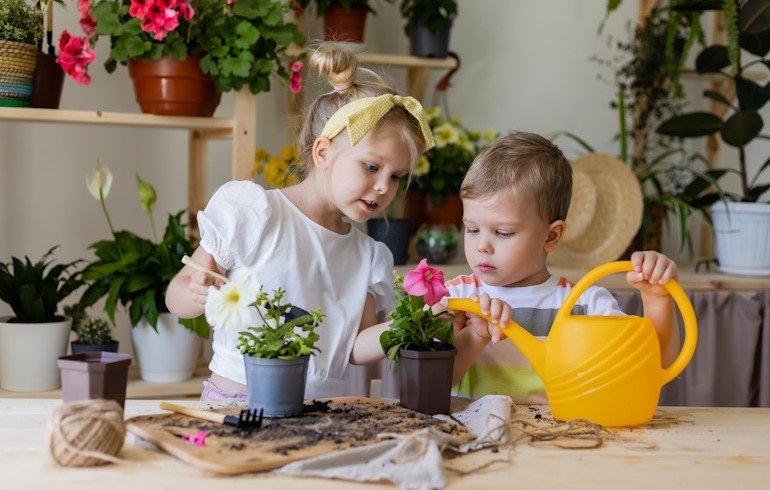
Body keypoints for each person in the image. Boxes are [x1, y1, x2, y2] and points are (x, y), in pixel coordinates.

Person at [165, 42, 435, 401]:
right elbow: (176, 294)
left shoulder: (367, 257)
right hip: (235, 406)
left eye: (397, 176)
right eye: (371, 166)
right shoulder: (257, 214)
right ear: (323, 152)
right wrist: (194, 293)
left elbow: (354, 349)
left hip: (319, 416)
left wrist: (418, 320)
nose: (384, 186)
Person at [444, 132, 681, 403]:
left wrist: (656, 299)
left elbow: (652, 366)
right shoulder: (455, 299)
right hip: (477, 440)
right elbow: (429, 382)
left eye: (504, 233)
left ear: (551, 236)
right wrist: (472, 336)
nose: (481, 246)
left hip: (560, 441)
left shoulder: (584, 304)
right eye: (472, 229)